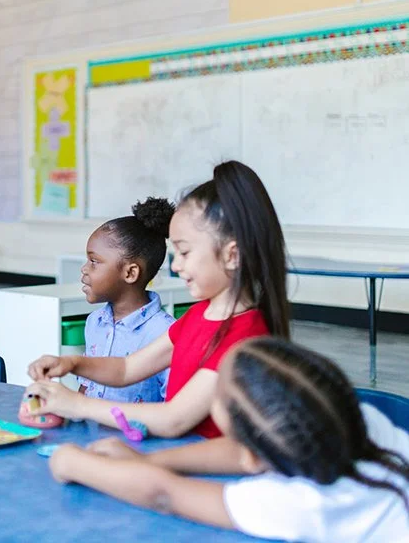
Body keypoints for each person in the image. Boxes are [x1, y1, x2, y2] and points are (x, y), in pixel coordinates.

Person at [48, 338, 409, 542]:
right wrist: (148, 460)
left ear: (252, 458)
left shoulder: (298, 504)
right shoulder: (355, 420)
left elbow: (165, 494)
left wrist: (71, 461)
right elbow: (243, 451)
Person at [26, 160, 289, 438]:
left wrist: (78, 405)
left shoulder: (244, 337)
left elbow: (173, 419)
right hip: (180, 451)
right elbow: (127, 368)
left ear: (232, 255)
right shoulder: (198, 316)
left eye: (185, 253)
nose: (175, 267)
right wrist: (72, 364)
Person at [77, 197, 176, 403]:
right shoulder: (94, 322)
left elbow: (174, 407)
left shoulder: (165, 334)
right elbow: (86, 386)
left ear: (130, 273)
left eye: (94, 261)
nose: (84, 269)